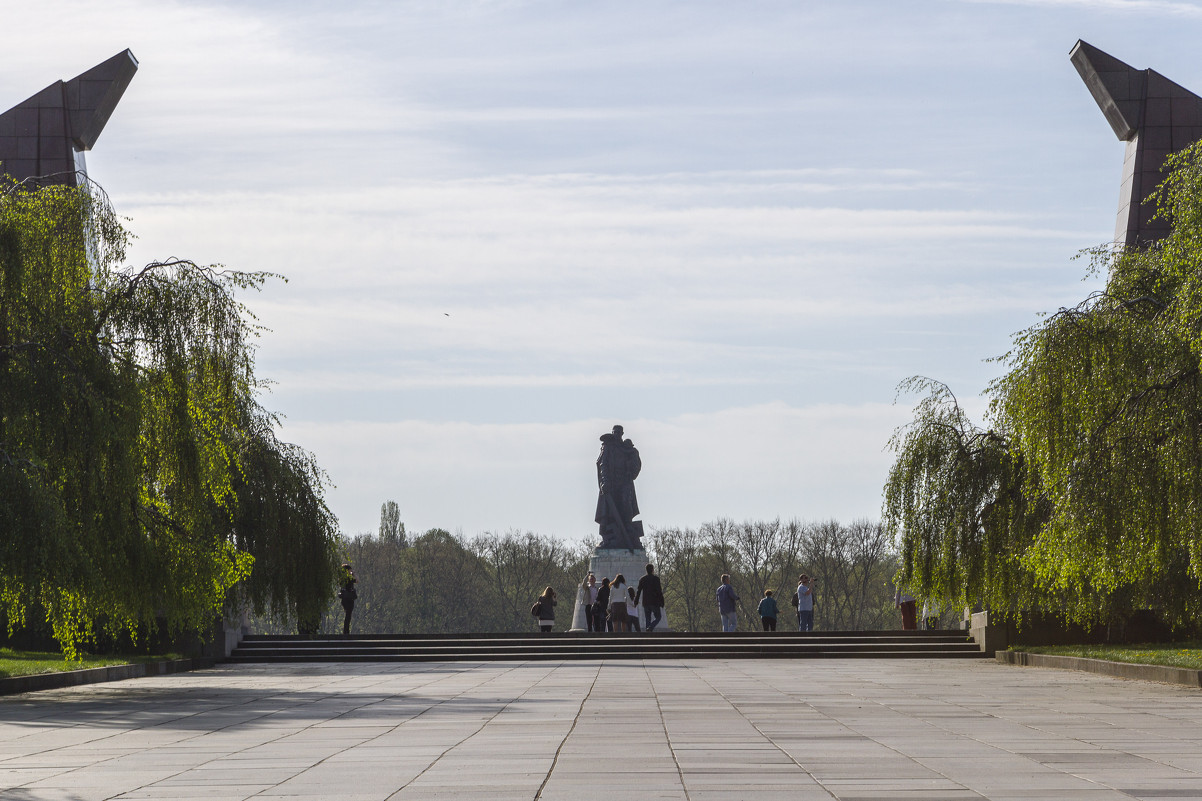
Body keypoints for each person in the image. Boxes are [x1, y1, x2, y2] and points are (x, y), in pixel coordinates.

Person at [595, 425, 643, 549]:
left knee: (626, 509)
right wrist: (604, 482)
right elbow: (602, 465)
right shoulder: (608, 447)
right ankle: (608, 538)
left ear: (622, 433)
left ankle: (630, 537)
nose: (616, 434)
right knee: (609, 513)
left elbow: (636, 466)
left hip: (624, 483)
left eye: (618, 432)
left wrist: (630, 472)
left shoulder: (627, 448)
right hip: (610, 485)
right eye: (614, 432)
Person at [635, 563, 665, 632]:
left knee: (647, 618)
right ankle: (650, 628)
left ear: (646, 570)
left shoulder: (642, 579)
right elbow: (659, 591)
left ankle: (647, 632)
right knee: (658, 617)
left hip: (646, 602)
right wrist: (662, 601)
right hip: (654, 602)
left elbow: (638, 591)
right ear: (652, 570)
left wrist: (636, 601)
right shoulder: (656, 579)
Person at [337, 563, 357, 636]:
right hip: (349, 598)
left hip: (344, 598)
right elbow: (357, 580)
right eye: (350, 570)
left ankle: (346, 630)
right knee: (348, 614)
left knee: (347, 614)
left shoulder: (341, 578)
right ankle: (346, 631)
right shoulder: (349, 578)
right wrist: (353, 574)